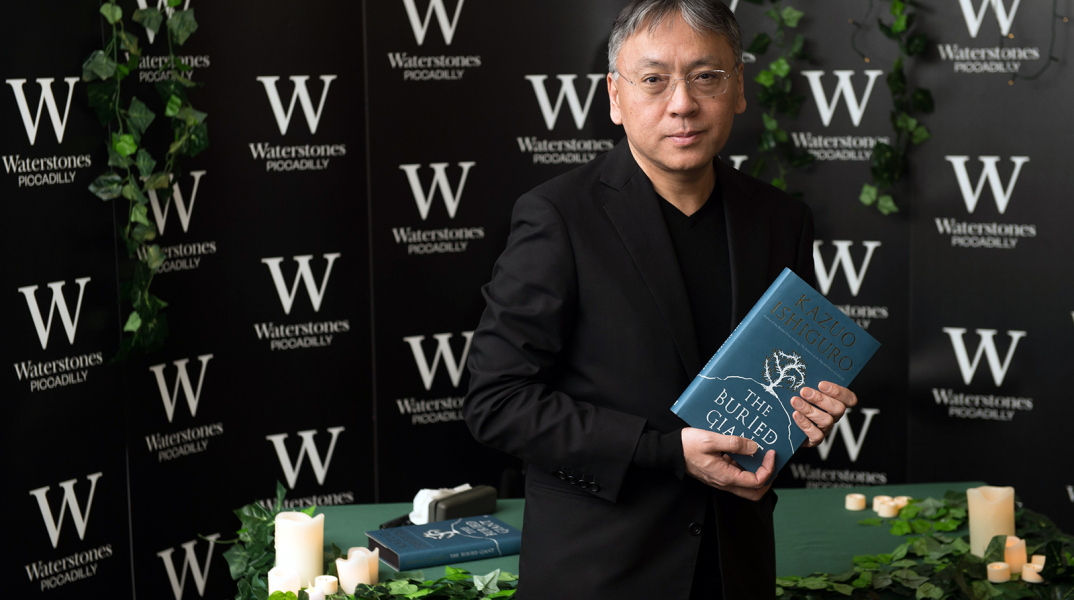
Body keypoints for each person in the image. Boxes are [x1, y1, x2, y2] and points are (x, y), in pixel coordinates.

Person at [464, 1, 858, 598]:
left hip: (735, 570)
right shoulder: (558, 217)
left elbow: (777, 386)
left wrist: (806, 412)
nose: (682, 103)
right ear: (615, 96)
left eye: (706, 76)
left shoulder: (781, 220)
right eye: (653, 79)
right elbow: (497, 402)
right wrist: (665, 451)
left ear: (739, 88)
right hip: (599, 572)